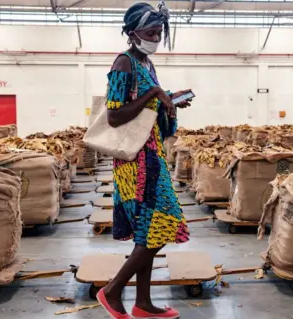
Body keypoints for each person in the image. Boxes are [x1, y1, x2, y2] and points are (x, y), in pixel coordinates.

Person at [96, 2, 192, 319]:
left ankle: (143, 303)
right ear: (132, 32)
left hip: (152, 155)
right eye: (151, 31)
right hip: (135, 162)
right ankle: (111, 291)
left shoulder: (147, 65)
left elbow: (149, 115)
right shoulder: (124, 63)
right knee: (164, 224)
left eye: (159, 32)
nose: (155, 36)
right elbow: (114, 116)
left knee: (148, 232)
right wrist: (153, 95)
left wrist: (170, 105)